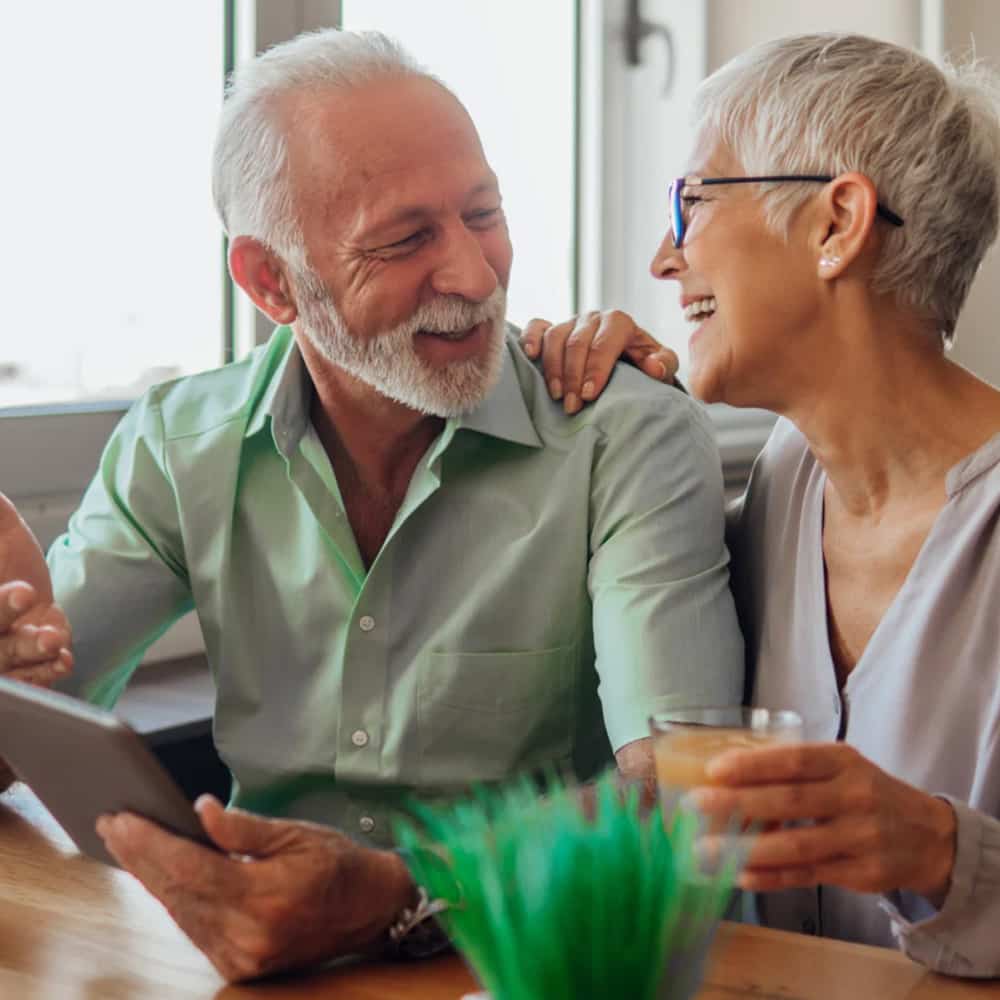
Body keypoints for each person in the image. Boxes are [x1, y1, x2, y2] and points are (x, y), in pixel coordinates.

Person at [0, 28, 742, 981]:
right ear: (272, 282)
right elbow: (34, 731)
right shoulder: (176, 445)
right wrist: (9, 686)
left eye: (484, 213)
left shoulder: (622, 438)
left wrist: (396, 897)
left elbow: (678, 794)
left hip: (529, 961)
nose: (475, 277)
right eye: (404, 241)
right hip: (256, 961)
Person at [523, 33, 1000, 978]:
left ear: (837, 224)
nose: (664, 259)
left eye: (689, 203)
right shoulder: (787, 478)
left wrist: (943, 852)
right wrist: (598, 410)